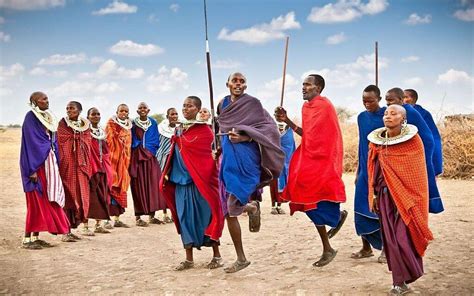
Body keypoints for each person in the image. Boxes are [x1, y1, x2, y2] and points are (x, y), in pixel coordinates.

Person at [275, 74, 347, 267]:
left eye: (308, 85)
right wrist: (286, 120)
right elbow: (307, 134)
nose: (303, 88)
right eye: (303, 84)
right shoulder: (306, 107)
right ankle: (335, 223)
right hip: (308, 155)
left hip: (322, 159)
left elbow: (324, 137)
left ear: (319, 88)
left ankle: (328, 246)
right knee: (302, 194)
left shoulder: (324, 106)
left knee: (310, 199)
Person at [217, 72, 284, 273]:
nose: (238, 84)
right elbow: (222, 130)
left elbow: (270, 130)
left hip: (247, 160)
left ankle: (241, 257)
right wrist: (218, 148)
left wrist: (246, 139)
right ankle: (251, 209)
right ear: (227, 83)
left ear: (246, 85)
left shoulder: (253, 104)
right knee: (230, 210)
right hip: (229, 159)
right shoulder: (222, 104)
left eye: (242, 81)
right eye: (234, 81)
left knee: (230, 209)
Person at [367, 104, 433, 295]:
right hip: (385, 198)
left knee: (403, 237)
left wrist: (408, 195)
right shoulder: (376, 143)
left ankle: (408, 273)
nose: (388, 116)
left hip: (406, 199)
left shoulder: (413, 142)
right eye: (386, 113)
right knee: (391, 239)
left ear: (403, 119)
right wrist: (373, 194)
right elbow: (374, 172)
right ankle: (399, 282)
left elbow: (416, 174)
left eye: (393, 113)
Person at [161, 96, 225, 271]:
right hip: (180, 182)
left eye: (189, 106)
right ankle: (188, 259)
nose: (185, 109)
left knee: (207, 216)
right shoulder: (179, 130)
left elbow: (210, 157)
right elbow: (174, 152)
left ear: (198, 109)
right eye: (184, 106)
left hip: (200, 182)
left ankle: (217, 255)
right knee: (184, 219)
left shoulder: (205, 131)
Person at [19, 91, 70, 249]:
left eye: (47, 98)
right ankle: (26, 239)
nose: (47, 101)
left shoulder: (47, 116)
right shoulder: (30, 117)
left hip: (48, 164)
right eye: (43, 99)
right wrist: (32, 169)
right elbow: (31, 143)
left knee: (44, 201)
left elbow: (52, 140)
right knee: (35, 202)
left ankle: (36, 237)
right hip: (35, 165)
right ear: (34, 102)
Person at [385, 88, 444, 214]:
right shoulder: (396, 112)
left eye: (391, 100)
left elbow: (430, 139)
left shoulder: (408, 112)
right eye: (387, 102)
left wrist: (421, 160)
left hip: (420, 154)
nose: (388, 104)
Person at [352, 85, 385, 261]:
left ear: (379, 99)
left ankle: (387, 249)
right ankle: (366, 248)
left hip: (382, 170)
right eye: (364, 100)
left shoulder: (387, 115)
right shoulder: (361, 117)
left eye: (370, 101)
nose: (367, 104)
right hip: (365, 170)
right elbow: (361, 145)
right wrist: (358, 170)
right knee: (360, 209)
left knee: (382, 210)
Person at [57, 101, 93, 239]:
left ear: (79, 110)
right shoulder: (62, 124)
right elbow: (61, 141)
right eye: (67, 108)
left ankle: (84, 225)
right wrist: (74, 139)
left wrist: (79, 140)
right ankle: (66, 231)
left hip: (82, 166)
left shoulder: (85, 126)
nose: (68, 110)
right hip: (67, 166)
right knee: (68, 195)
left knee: (83, 194)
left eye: (72, 108)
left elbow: (87, 142)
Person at [130, 102, 166, 226]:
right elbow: (131, 140)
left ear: (148, 110)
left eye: (144, 107)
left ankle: (152, 216)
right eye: (140, 108)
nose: (142, 109)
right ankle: (138, 217)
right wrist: (139, 149)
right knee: (137, 186)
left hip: (150, 158)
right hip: (137, 159)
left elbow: (155, 139)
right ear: (137, 111)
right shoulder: (133, 124)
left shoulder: (153, 123)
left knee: (153, 186)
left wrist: (148, 151)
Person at [403, 89, 443, 175]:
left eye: (405, 97)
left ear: (413, 99)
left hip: (425, 149)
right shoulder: (402, 113)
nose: (402, 99)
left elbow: (432, 135)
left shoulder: (423, 113)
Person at [105, 104, 132, 228]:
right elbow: (109, 140)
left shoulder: (128, 125)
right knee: (110, 188)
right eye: (121, 110)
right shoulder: (111, 123)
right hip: (112, 160)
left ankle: (117, 219)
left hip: (124, 162)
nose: (124, 113)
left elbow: (128, 143)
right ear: (117, 112)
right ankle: (107, 220)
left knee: (121, 188)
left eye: (126, 111)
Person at [87, 107, 113, 233]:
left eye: (98, 114)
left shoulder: (102, 132)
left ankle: (98, 225)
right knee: (88, 198)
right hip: (90, 169)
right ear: (88, 117)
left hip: (102, 168)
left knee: (101, 196)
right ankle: (85, 226)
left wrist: (106, 165)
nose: (96, 116)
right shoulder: (85, 131)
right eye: (93, 114)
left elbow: (106, 150)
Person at [156, 107, 179, 223]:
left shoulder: (180, 129)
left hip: (176, 162)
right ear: (167, 116)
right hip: (163, 161)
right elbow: (159, 145)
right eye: (172, 114)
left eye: (176, 114)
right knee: (164, 187)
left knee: (175, 188)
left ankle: (174, 213)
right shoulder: (161, 128)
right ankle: (165, 213)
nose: (174, 116)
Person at [269, 122, 295, 215]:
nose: (280, 128)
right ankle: (273, 206)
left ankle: (279, 206)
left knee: (282, 187)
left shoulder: (288, 135)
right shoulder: (273, 134)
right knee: (274, 186)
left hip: (284, 165)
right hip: (274, 164)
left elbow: (290, 147)